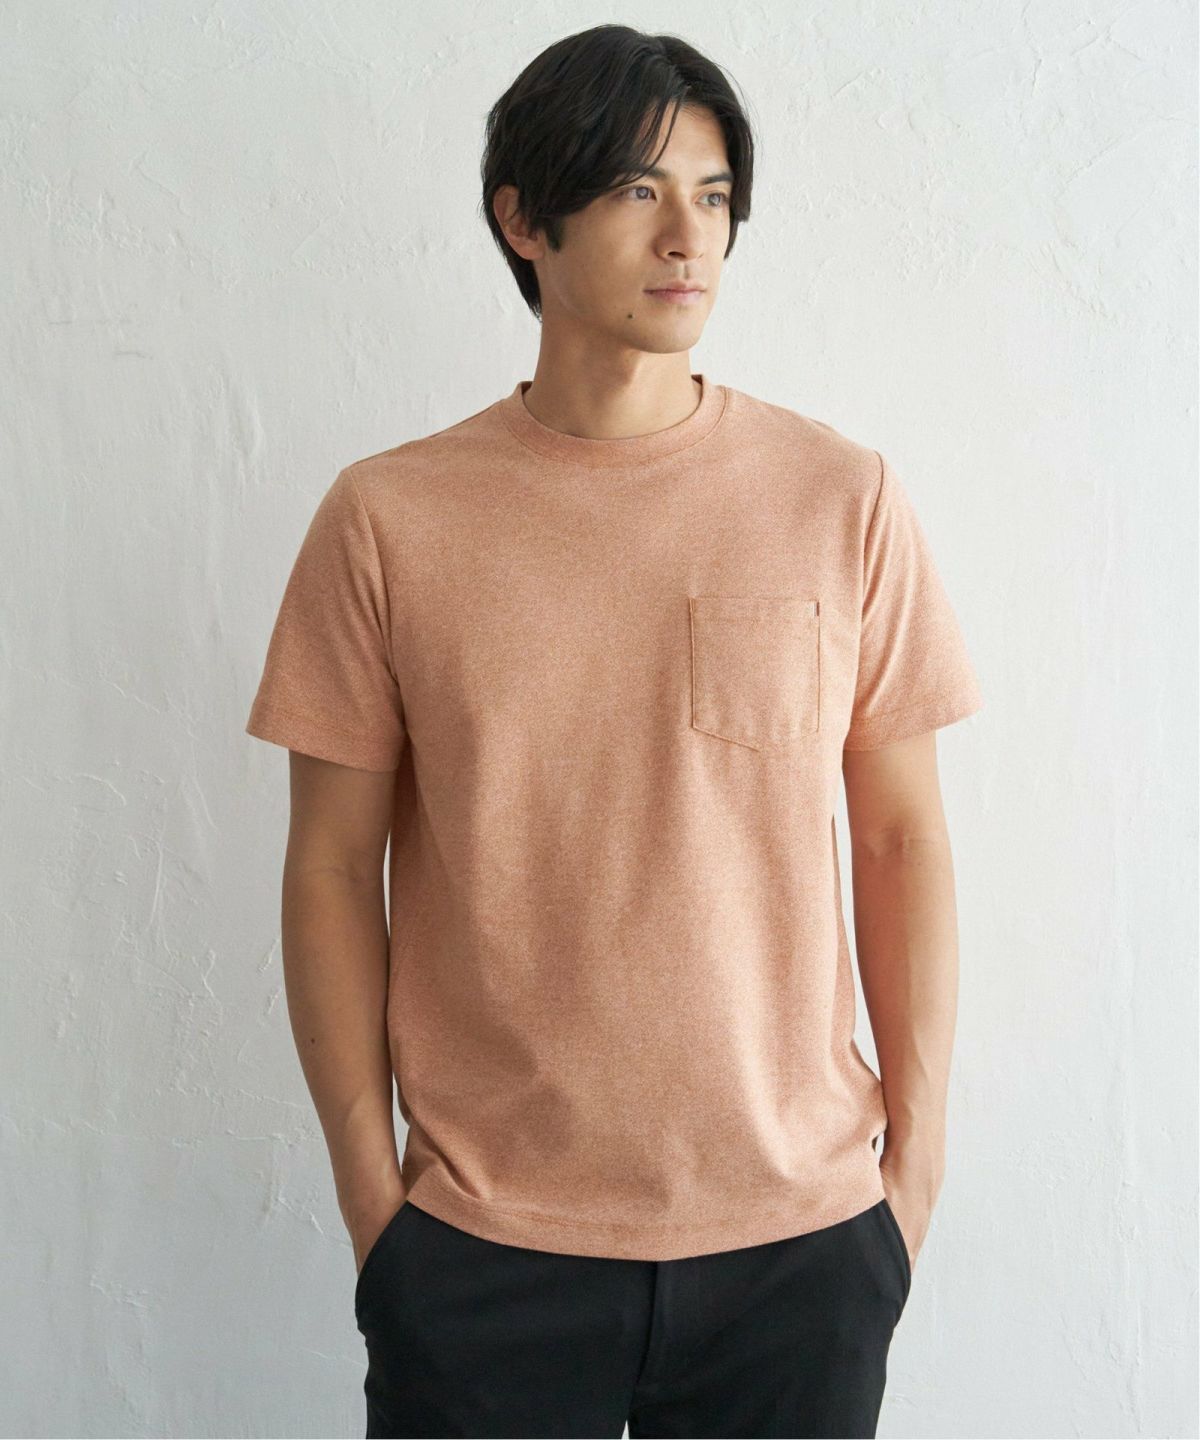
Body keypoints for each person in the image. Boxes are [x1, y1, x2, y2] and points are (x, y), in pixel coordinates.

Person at [245, 23, 983, 1439]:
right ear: (525, 219)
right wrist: (372, 1204)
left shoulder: (840, 497)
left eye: (714, 195)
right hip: (481, 1249)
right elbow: (330, 866)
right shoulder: (389, 518)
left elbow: (902, 837)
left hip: (802, 1244)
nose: (688, 236)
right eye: (640, 190)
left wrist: (917, 1168)